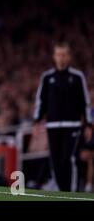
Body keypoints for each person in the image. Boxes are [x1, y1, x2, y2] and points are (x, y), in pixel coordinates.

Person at [33, 41, 92, 192]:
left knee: (69, 159)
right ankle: (61, 191)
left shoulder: (77, 77)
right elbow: (41, 101)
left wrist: (89, 124)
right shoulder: (47, 77)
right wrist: (37, 121)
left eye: (64, 55)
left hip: (72, 125)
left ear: (69, 57)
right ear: (54, 56)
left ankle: (70, 193)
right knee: (56, 161)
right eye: (59, 55)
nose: (61, 58)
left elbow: (85, 102)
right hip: (52, 126)